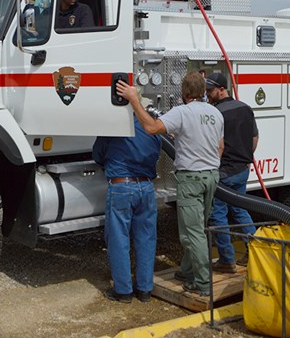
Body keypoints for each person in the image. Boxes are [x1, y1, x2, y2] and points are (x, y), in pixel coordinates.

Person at [116, 72, 224, 297]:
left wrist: (135, 101)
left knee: (191, 233)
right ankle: (187, 271)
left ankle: (203, 284)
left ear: (184, 93)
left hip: (191, 178)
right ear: (204, 91)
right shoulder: (215, 113)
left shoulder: (182, 112)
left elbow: (151, 128)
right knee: (199, 227)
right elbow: (220, 146)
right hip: (212, 175)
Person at [93, 115, 162, 303]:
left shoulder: (112, 126)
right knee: (147, 238)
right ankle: (145, 289)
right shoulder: (151, 125)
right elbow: (157, 153)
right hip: (147, 187)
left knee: (118, 238)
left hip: (121, 186)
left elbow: (97, 155)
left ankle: (123, 291)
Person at [205, 72, 258, 272]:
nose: (207, 95)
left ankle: (227, 260)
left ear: (221, 89)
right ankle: (255, 252)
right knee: (240, 210)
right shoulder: (245, 108)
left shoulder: (216, 114)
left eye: (210, 91)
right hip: (242, 169)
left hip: (224, 172)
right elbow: (254, 138)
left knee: (218, 215)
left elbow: (214, 145)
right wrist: (244, 159)